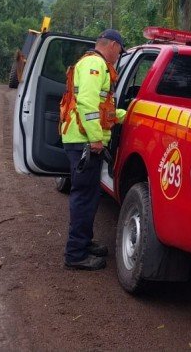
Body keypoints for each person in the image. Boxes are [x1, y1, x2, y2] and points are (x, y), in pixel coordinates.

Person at [59, 29, 127, 270]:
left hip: (83, 139)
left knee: (89, 196)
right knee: (84, 197)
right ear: (112, 45)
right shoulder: (94, 65)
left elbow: (102, 109)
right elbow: (87, 104)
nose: (120, 54)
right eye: (120, 48)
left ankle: (84, 243)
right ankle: (75, 254)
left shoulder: (94, 64)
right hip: (84, 141)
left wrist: (126, 115)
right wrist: (96, 138)